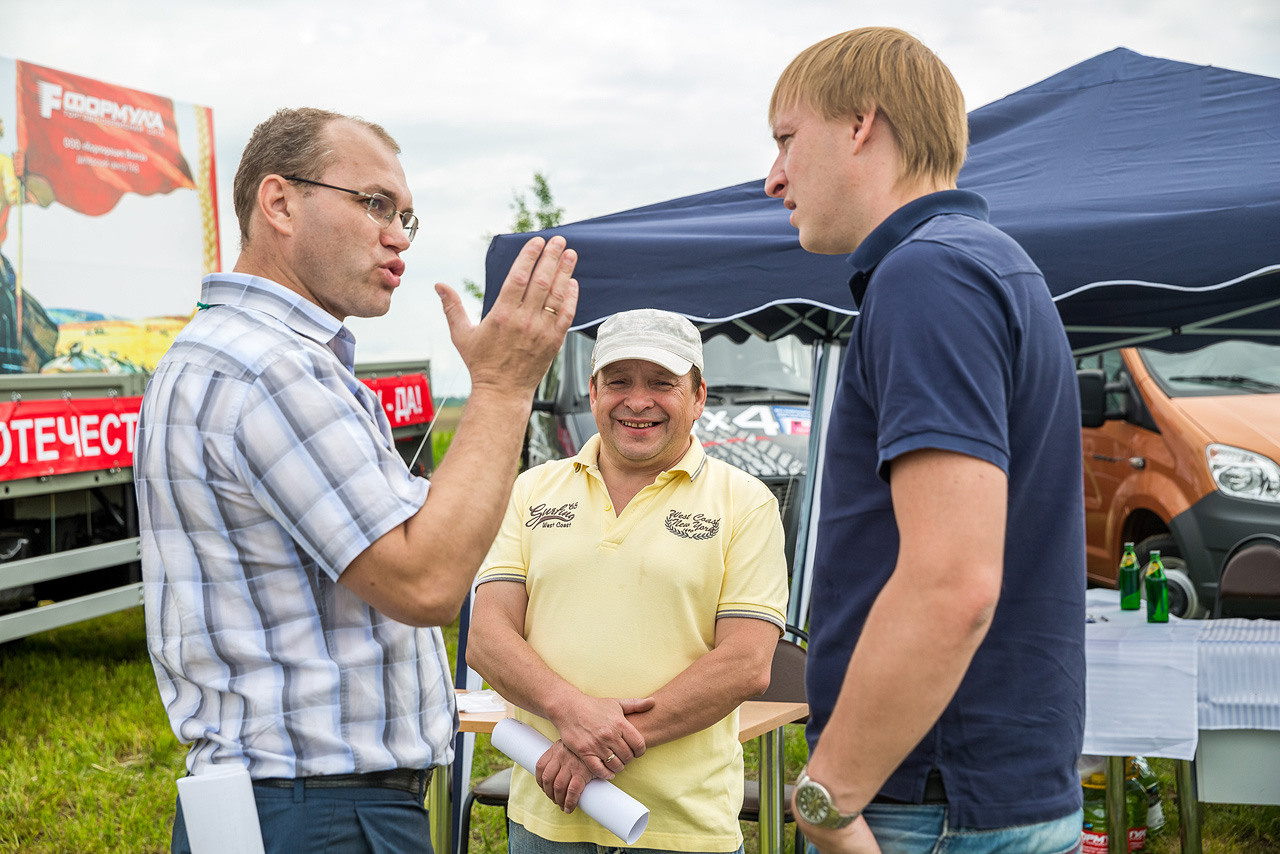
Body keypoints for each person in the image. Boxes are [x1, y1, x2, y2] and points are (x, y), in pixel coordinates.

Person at [134, 106, 579, 853]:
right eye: (375, 204)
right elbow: (427, 580)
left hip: (285, 804)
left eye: (407, 216)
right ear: (278, 203)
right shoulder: (270, 367)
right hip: (323, 813)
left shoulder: (223, 351)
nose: (398, 235)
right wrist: (503, 387)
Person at [765, 28, 1086, 854]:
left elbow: (953, 582)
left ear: (862, 125)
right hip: (971, 795)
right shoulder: (991, 264)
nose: (775, 178)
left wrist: (825, 799)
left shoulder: (928, 274)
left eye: (787, 140)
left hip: (929, 806)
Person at [467, 308, 789, 853]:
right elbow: (487, 637)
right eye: (619, 382)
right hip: (546, 821)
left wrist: (592, 745)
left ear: (698, 396)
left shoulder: (744, 502)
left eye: (662, 383)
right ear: (593, 393)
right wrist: (573, 712)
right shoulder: (531, 490)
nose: (637, 401)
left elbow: (747, 663)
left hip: (683, 827)